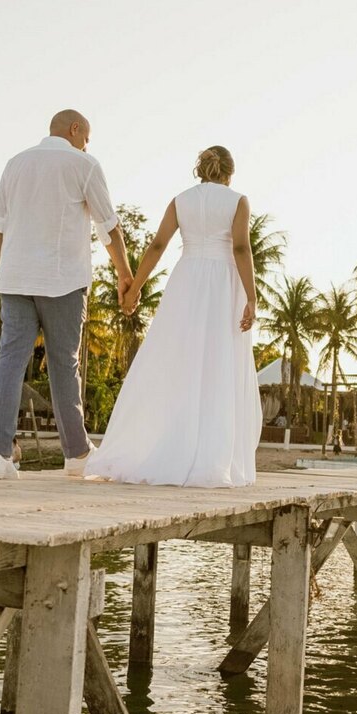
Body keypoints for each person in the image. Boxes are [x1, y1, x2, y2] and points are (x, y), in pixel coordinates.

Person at [85, 145, 262, 487]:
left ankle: (167, 445)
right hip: (224, 283)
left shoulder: (181, 199)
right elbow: (241, 248)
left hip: (188, 280)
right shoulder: (238, 201)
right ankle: (212, 457)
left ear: (200, 170)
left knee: (179, 359)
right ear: (230, 172)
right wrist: (251, 298)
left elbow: (157, 246)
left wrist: (135, 287)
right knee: (219, 364)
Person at [0, 110, 134, 481]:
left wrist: (10, 270)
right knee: (64, 363)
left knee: (9, 362)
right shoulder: (83, 164)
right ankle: (77, 454)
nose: (87, 144)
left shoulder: (15, 164)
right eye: (87, 137)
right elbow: (108, 227)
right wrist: (126, 276)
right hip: (62, 279)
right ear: (75, 129)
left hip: (15, 280)